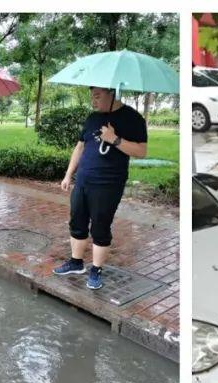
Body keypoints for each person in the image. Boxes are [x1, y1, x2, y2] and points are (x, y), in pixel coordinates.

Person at [54, 86, 148, 291]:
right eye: (92, 97)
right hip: (84, 180)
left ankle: (96, 269)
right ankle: (76, 263)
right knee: (77, 221)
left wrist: (114, 139)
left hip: (108, 183)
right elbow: (80, 147)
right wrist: (69, 174)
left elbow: (142, 151)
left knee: (100, 226)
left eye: (97, 96)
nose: (93, 101)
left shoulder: (133, 118)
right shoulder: (93, 118)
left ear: (112, 94)